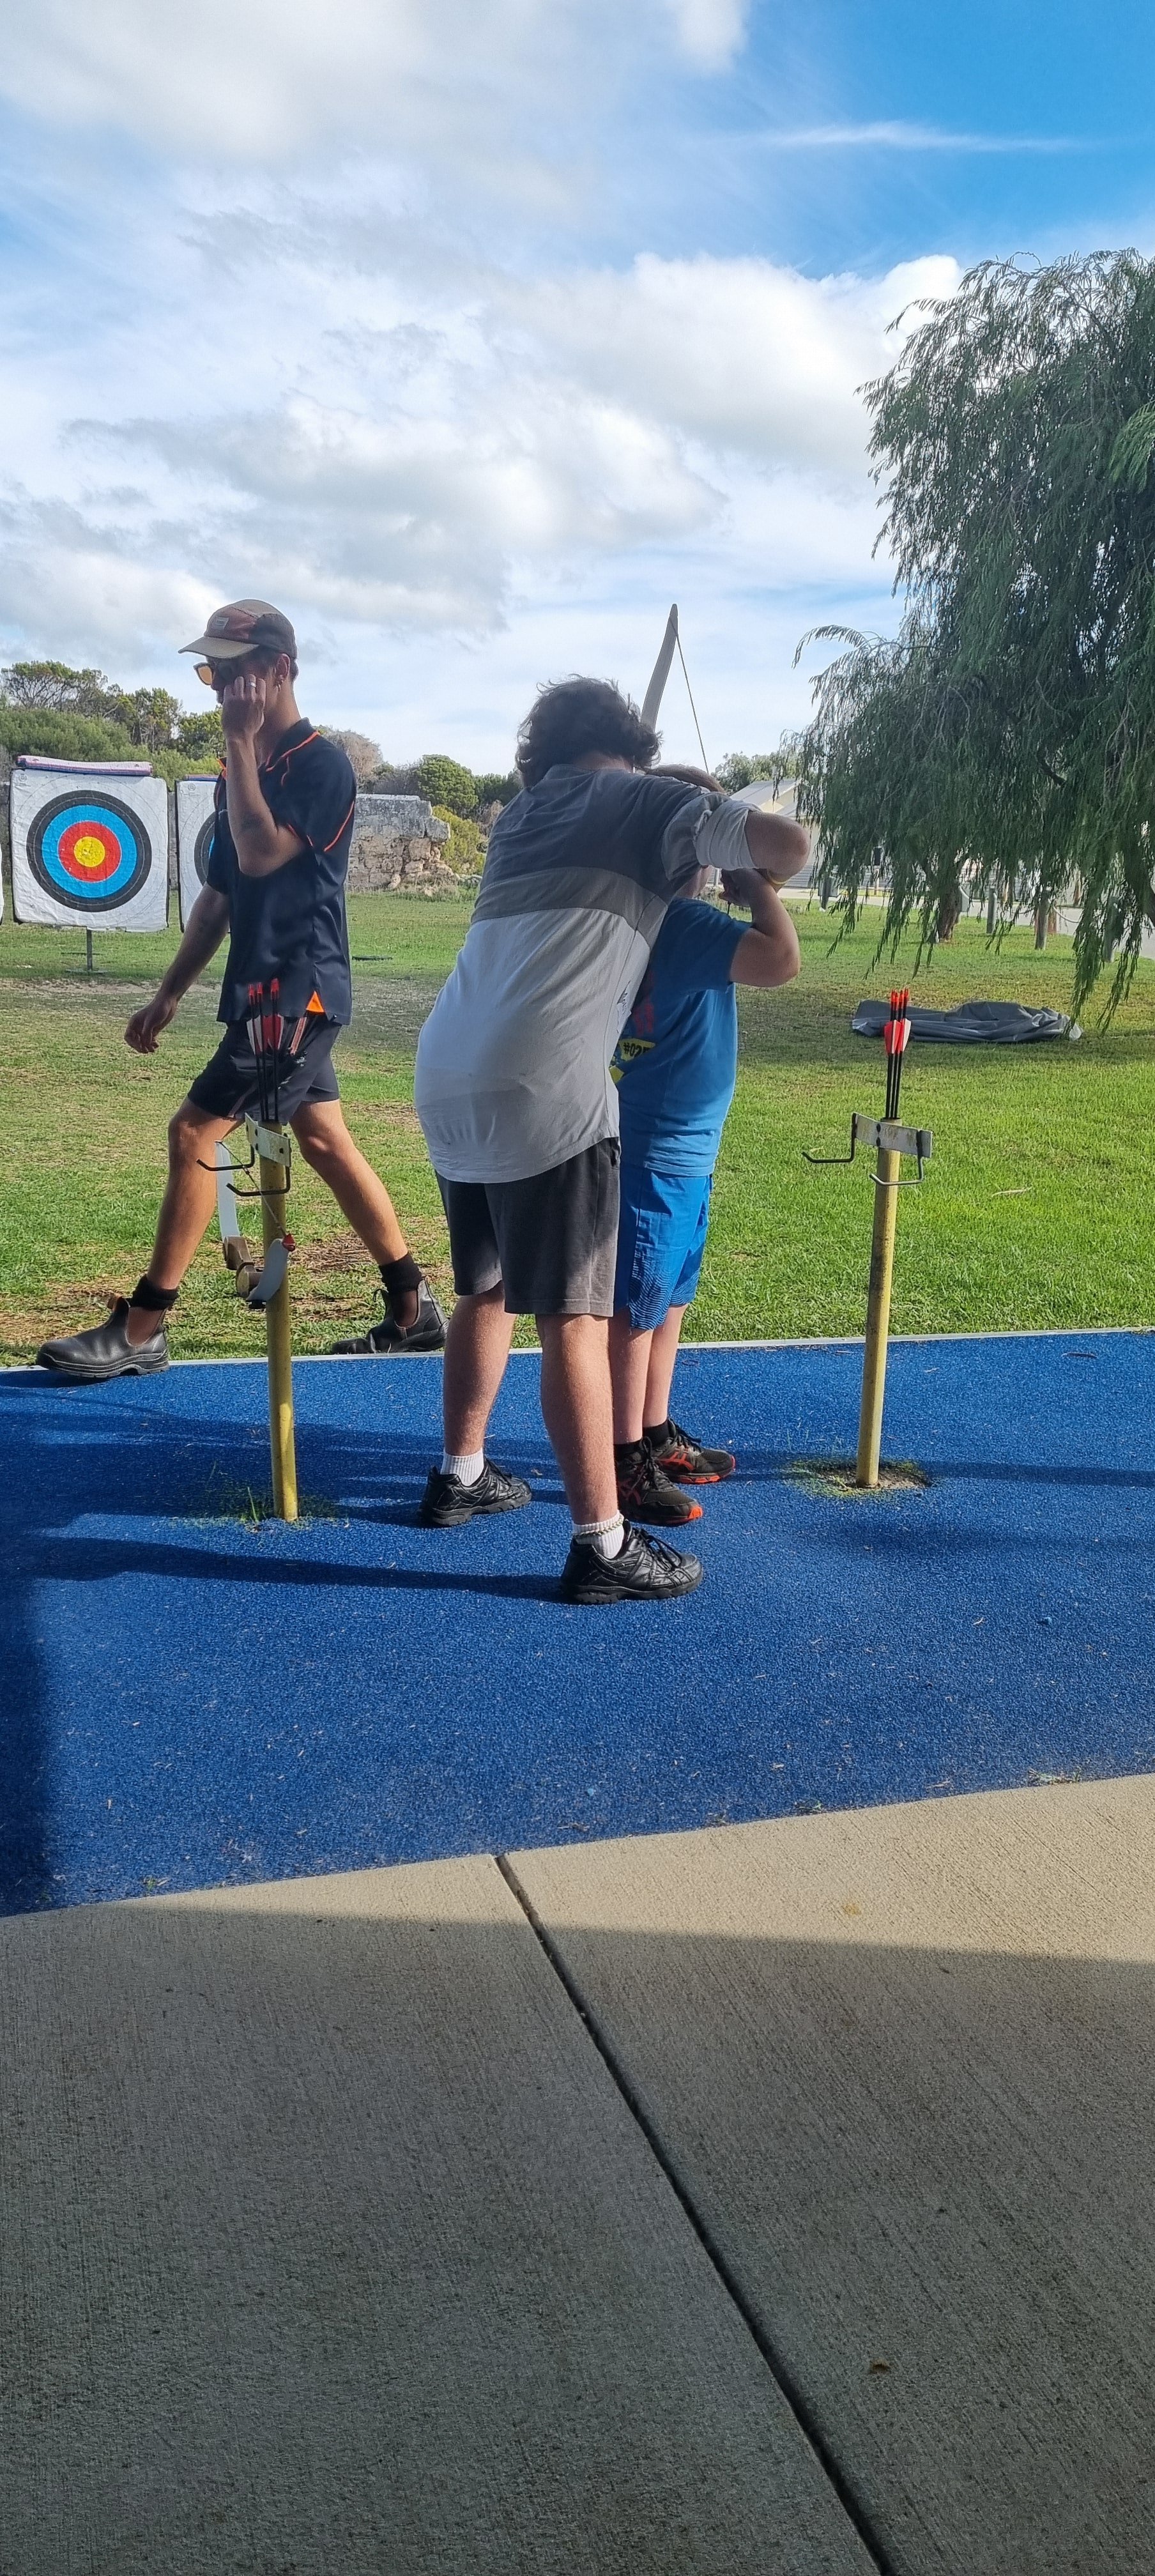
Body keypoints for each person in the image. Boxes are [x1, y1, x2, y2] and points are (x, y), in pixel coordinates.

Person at [411, 675, 807, 1604]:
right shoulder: (639, 797)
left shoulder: (517, 817)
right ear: (629, 747)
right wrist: (716, 816)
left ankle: (460, 1478)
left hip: (450, 1067)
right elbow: (787, 844)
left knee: (489, 1287)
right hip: (547, 1081)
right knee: (576, 1322)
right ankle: (603, 1541)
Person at [36, 599, 445, 1381]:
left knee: (195, 1135)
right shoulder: (242, 770)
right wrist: (168, 993)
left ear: (279, 671)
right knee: (324, 1139)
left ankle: (144, 1327)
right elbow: (221, 894)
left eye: (229, 669)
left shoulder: (320, 765)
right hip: (261, 992)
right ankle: (412, 1306)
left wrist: (237, 743)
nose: (217, 685)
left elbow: (260, 856)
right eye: (210, 671)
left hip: (298, 995)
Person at [608, 816, 802, 1529]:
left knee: (666, 1297)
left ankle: (653, 1432)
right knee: (637, 1306)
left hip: (676, 1149)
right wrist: (752, 883)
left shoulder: (649, 916)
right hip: (660, 1150)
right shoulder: (683, 922)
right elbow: (780, 959)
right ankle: (625, 1455)